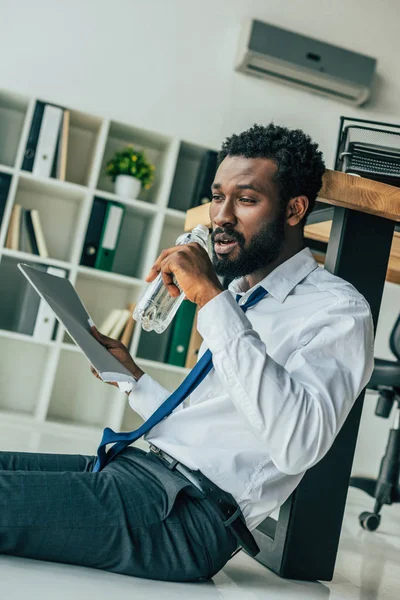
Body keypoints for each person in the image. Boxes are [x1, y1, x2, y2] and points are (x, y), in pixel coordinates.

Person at [0, 124, 374, 582]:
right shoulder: (238, 295)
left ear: (295, 210)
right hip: (145, 472)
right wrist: (133, 378)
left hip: (187, 517)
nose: (221, 216)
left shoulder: (337, 312)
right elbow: (206, 429)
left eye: (246, 199)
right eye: (218, 197)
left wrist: (214, 301)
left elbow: (298, 445)